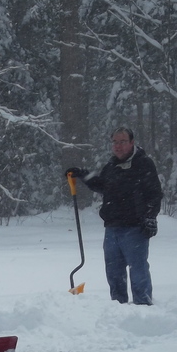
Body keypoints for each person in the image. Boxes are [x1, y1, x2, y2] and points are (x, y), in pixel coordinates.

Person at [66, 128, 163, 305]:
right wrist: (83, 174)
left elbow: (155, 194)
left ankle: (144, 308)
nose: (118, 146)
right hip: (112, 228)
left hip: (135, 228)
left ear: (132, 143)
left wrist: (150, 216)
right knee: (114, 273)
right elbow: (102, 185)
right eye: (115, 142)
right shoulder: (112, 166)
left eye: (122, 142)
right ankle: (118, 308)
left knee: (138, 271)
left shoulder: (143, 164)